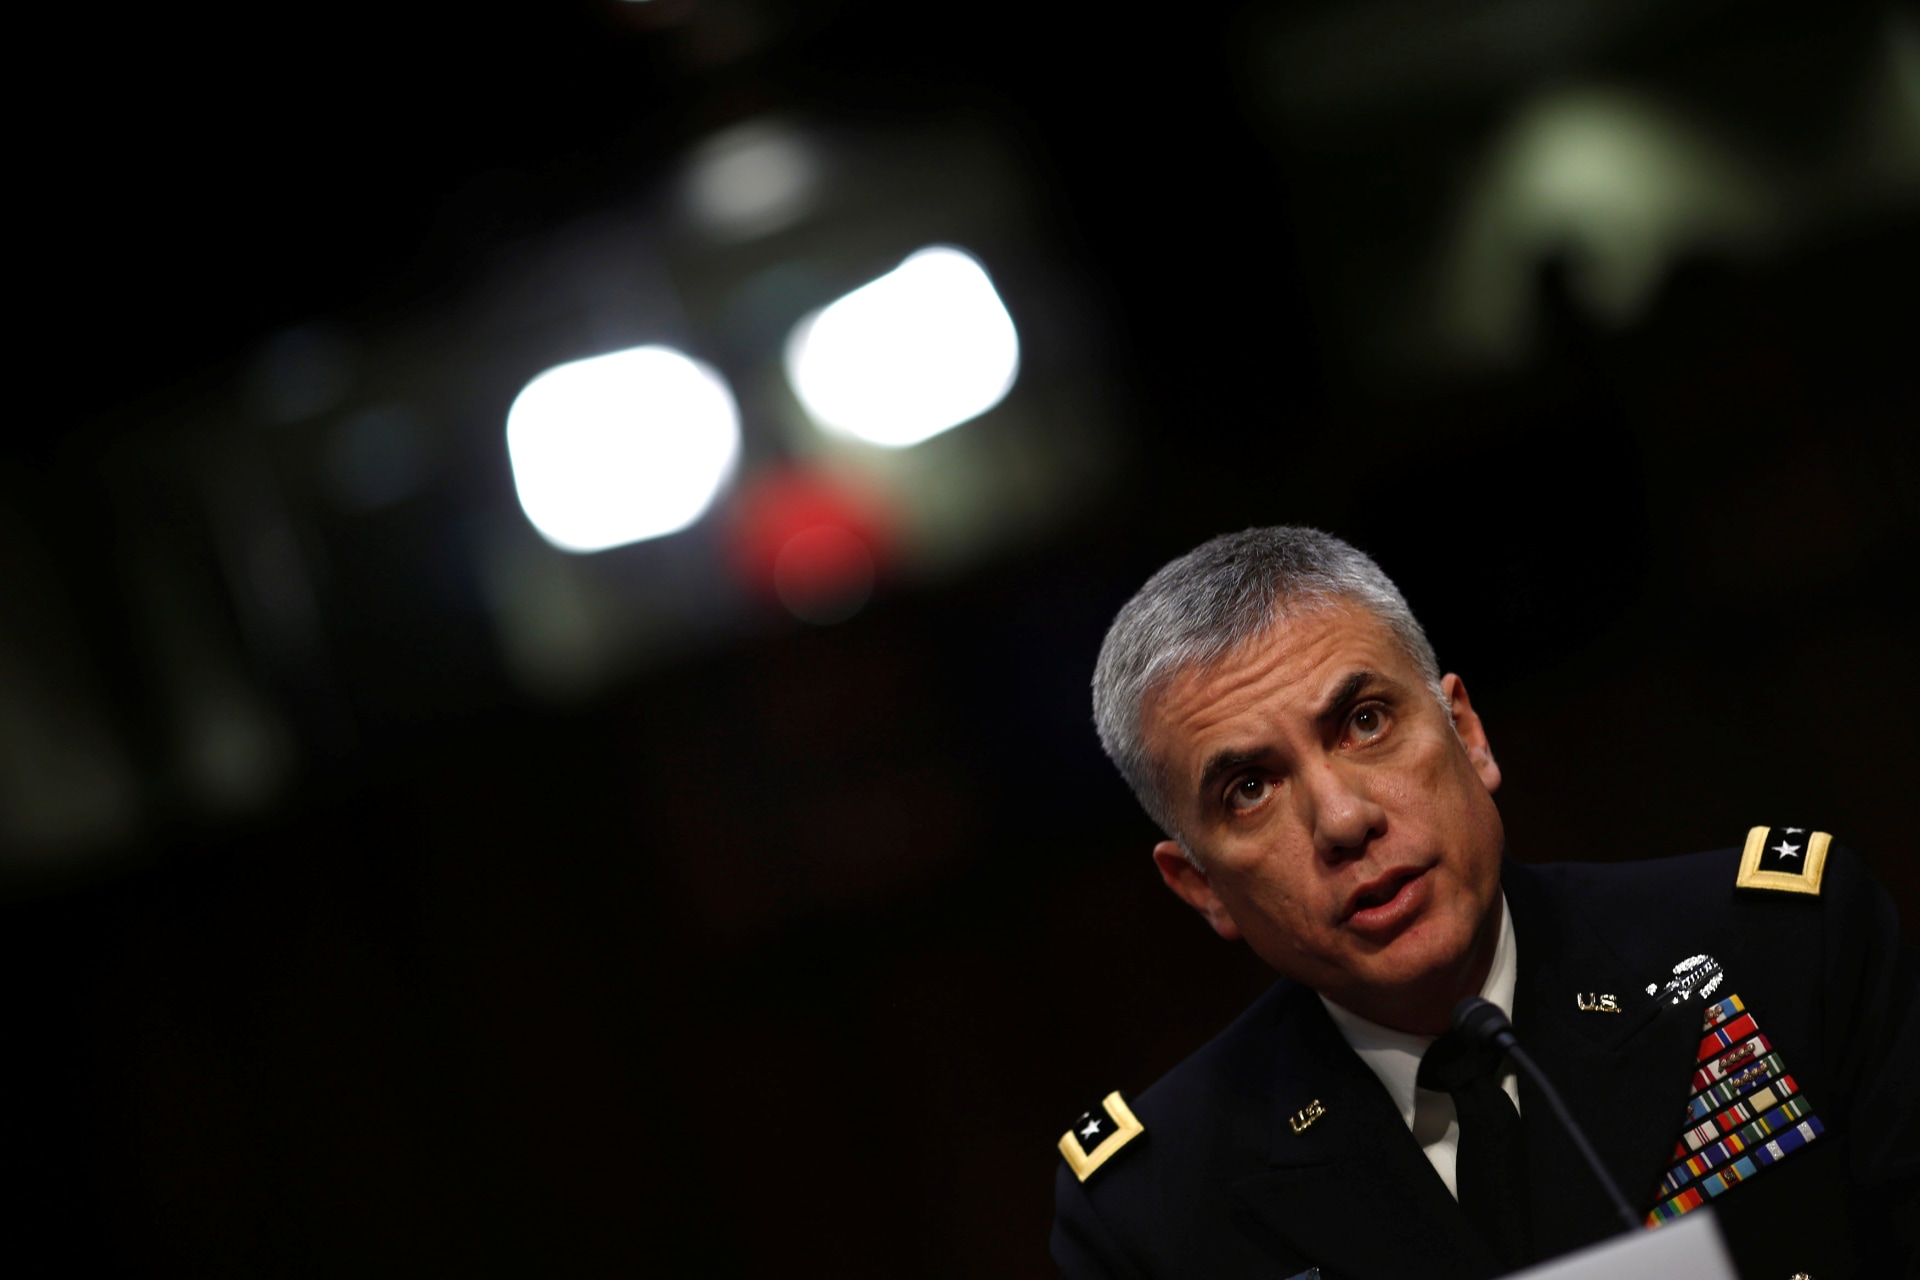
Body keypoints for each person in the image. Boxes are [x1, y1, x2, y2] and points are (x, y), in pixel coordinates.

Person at [1052, 527, 1917, 1280]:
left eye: (1363, 722)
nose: (1345, 820)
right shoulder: (1156, 1207)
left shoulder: (1782, 945)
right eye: (1249, 789)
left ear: (1466, 732)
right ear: (1202, 886)